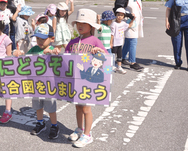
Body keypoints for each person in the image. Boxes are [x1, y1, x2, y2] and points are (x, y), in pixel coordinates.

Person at [63, 8, 107, 148]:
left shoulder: (95, 40)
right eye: (78, 23)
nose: (80, 25)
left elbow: (106, 57)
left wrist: (99, 51)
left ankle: (87, 135)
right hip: (75, 80)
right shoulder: (73, 41)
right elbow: (66, 57)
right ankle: (79, 129)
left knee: (87, 109)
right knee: (78, 107)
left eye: (84, 23)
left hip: (89, 82)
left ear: (91, 26)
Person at [114, 0, 162, 71]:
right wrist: (128, 15)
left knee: (128, 41)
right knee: (133, 41)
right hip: (127, 22)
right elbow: (116, 9)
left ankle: (122, 58)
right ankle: (132, 62)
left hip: (136, 22)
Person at [24, 23, 60, 139]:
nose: (39, 41)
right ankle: (40, 123)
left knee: (50, 108)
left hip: (50, 86)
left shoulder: (53, 50)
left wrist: (53, 52)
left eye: (43, 39)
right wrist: (19, 55)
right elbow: (25, 60)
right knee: (38, 106)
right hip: (36, 84)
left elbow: (61, 63)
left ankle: (54, 126)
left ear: (51, 39)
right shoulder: (34, 49)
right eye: (37, 38)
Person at [111, 8, 135, 74]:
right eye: (118, 15)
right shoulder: (114, 24)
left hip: (120, 43)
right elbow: (112, 34)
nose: (119, 17)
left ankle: (119, 67)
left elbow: (129, 25)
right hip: (114, 43)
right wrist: (111, 43)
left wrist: (133, 19)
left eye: (121, 15)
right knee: (113, 55)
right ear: (115, 15)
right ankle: (112, 66)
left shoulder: (123, 23)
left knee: (119, 55)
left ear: (123, 16)